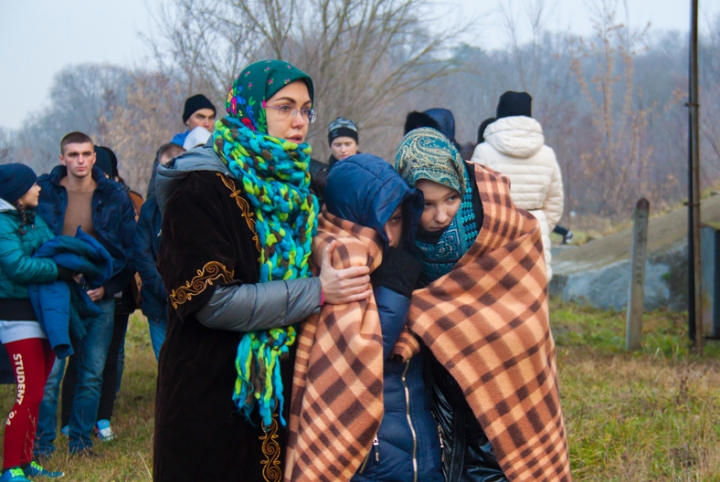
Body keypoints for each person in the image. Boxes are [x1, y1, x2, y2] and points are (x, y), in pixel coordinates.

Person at [153, 59, 372, 481]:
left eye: (306, 109)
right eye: (284, 107)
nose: (299, 121)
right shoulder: (199, 188)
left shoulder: (295, 186)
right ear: (251, 109)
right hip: (210, 393)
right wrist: (317, 291)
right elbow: (212, 302)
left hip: (279, 393)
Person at [395, 127, 572, 481]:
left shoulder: (501, 227)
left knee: (497, 459)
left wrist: (435, 316)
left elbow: (525, 308)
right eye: (426, 204)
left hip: (505, 371)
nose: (442, 215)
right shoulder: (397, 236)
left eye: (451, 198)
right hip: (440, 377)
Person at [285, 154, 442, 482]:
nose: (389, 231)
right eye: (380, 219)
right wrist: (397, 286)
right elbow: (365, 351)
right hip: (371, 448)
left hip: (415, 439)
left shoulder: (400, 258)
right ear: (353, 216)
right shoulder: (340, 259)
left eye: (397, 219)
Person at [34, 132, 137, 458]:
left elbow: (130, 248)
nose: (80, 160)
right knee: (51, 375)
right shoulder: (45, 192)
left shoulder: (115, 195)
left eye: (86, 154)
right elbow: (31, 240)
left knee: (92, 372)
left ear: (95, 157)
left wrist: (109, 287)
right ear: (62, 158)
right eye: (73, 154)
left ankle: (81, 442)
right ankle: (42, 446)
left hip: (99, 293)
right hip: (54, 290)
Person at [0, 164, 66, 481]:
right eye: (32, 184)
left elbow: (55, 248)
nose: (39, 189)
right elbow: (16, 266)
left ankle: (27, 461)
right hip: (16, 319)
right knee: (26, 394)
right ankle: (10, 468)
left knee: (37, 394)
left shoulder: (34, 218)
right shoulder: (2, 224)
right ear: (17, 192)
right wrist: (58, 270)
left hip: (43, 315)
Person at [470, 91, 563, 281]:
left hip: (496, 234)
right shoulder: (547, 154)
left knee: (497, 300)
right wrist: (540, 224)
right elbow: (555, 203)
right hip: (536, 236)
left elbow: (473, 199)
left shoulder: (483, 151)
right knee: (533, 299)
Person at [134, 143, 186, 361]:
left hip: (194, 304)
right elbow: (141, 254)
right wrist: (166, 292)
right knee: (165, 364)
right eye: (166, 168)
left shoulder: (202, 203)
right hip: (158, 304)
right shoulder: (150, 209)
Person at [309, 117, 359, 202]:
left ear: (356, 145)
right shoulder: (321, 179)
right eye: (338, 145)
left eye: (348, 144)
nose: (343, 150)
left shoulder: (371, 173)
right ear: (330, 146)